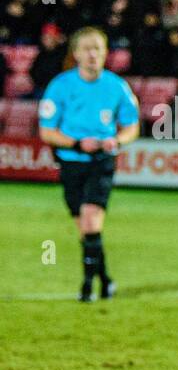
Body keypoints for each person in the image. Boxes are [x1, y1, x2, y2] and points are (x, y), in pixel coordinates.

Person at [37, 27, 140, 302]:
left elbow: (132, 127)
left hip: (101, 163)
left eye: (98, 48)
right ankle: (105, 280)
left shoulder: (117, 87)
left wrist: (116, 140)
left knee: (91, 221)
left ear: (106, 53)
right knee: (85, 228)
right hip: (71, 163)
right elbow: (47, 132)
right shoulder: (60, 86)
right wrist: (76, 144)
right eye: (87, 48)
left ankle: (86, 288)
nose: (93, 54)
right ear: (76, 53)